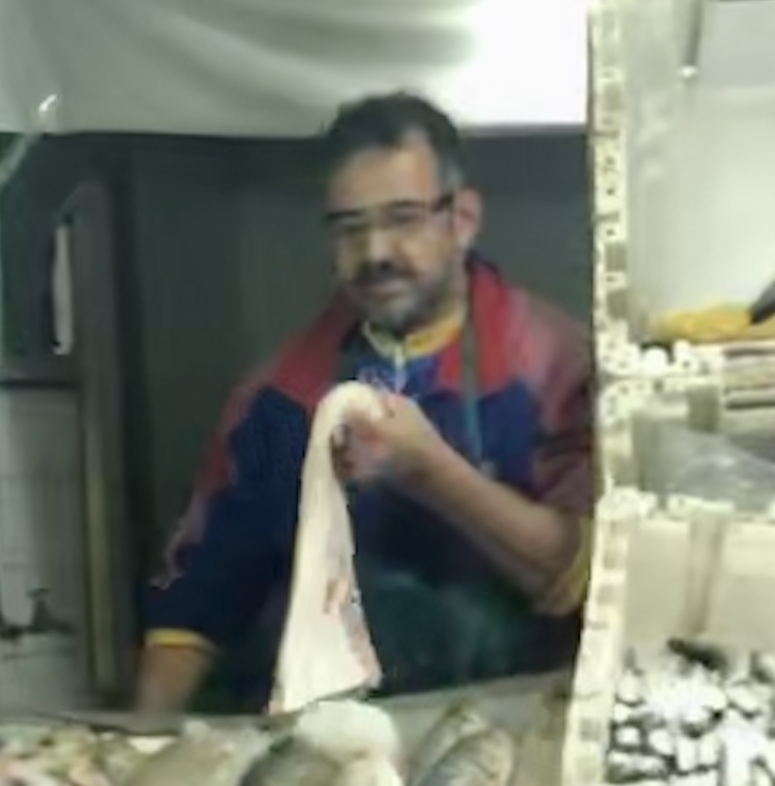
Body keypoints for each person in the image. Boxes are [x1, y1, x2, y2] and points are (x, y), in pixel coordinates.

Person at [133, 92, 595, 713]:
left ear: (462, 218)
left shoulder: (554, 365)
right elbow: (196, 607)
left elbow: (582, 577)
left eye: (403, 219)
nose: (375, 253)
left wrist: (431, 472)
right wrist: (145, 745)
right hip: (327, 741)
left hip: (512, 731)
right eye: (351, 228)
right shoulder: (279, 399)